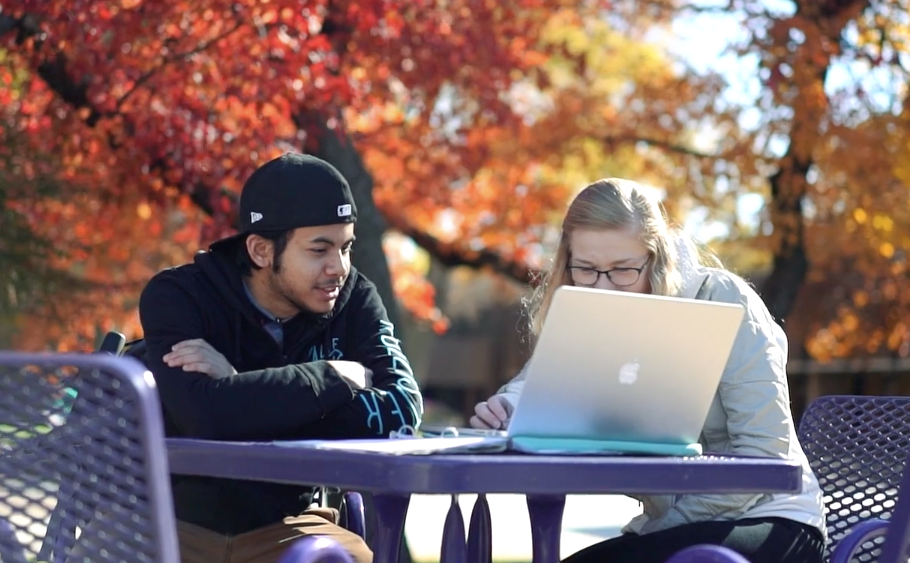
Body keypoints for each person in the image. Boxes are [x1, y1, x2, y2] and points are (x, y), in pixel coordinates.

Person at [470, 178, 826, 563]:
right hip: (680, 527)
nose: (603, 288)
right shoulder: (592, 314)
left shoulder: (726, 299)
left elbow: (764, 455)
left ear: (657, 259)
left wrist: (661, 529)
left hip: (775, 521)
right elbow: (539, 381)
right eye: (586, 269)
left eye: (623, 269)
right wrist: (506, 406)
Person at [137, 153, 423, 563]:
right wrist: (329, 379)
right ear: (259, 250)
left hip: (292, 526)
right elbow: (204, 417)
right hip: (167, 521)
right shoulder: (179, 296)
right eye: (319, 250)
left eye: (346, 248)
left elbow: (400, 413)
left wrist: (239, 385)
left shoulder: (354, 299)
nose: (338, 268)